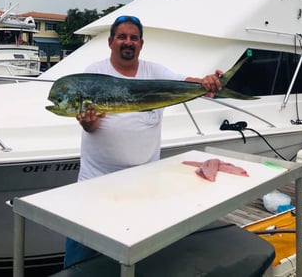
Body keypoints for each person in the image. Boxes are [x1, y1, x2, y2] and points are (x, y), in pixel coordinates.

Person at [64, 15, 222, 268]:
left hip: (143, 188)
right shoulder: (93, 74)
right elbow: (91, 128)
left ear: (141, 44)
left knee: (137, 258)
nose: (128, 42)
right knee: (78, 262)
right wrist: (86, 121)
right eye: (122, 37)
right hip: (95, 187)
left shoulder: (154, 72)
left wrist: (207, 82)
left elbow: (185, 83)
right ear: (110, 42)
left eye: (133, 38)